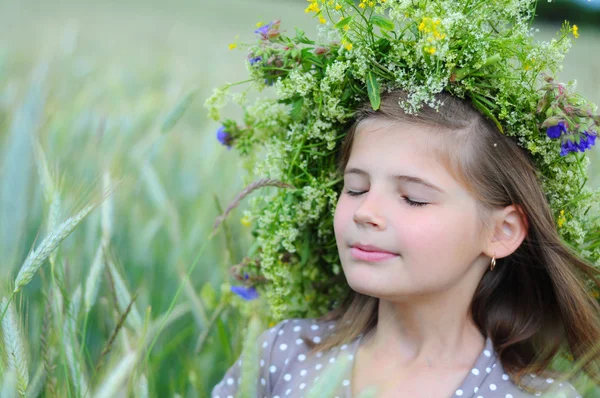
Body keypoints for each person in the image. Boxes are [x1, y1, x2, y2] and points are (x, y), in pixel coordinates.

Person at [208, 1, 600, 397]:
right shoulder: (284, 355)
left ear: (501, 232)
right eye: (356, 188)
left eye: (413, 198)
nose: (366, 212)